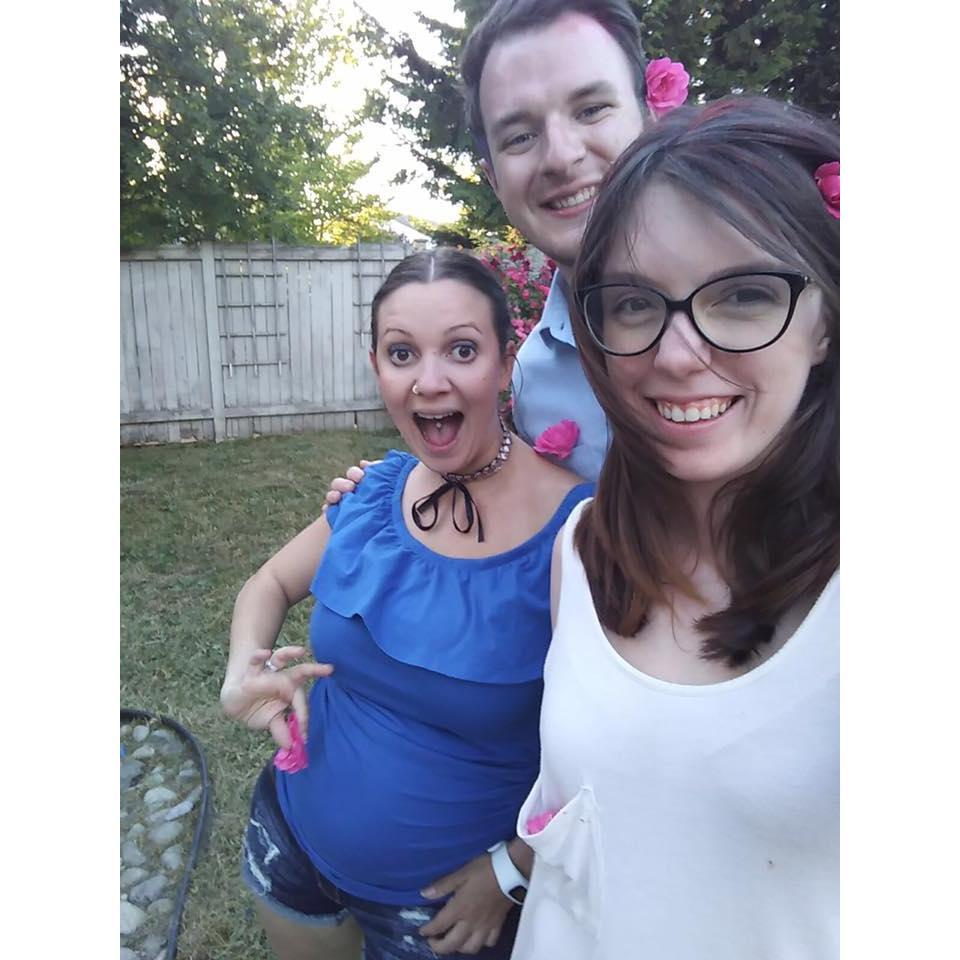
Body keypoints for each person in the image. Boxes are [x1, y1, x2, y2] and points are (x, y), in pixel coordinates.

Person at [510, 96, 840, 959]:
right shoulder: (582, 551)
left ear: (827, 320)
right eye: (631, 304)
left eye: (742, 295)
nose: (675, 353)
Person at [220, 248, 593, 960]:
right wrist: (246, 666)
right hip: (291, 842)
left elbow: (622, 745)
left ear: (506, 363)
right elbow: (267, 584)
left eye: (461, 349)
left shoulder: (577, 528)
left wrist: (516, 866)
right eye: (401, 353)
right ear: (377, 369)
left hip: (442, 913)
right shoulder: (372, 494)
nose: (429, 381)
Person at [327, 0, 654, 502]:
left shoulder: (785, 310)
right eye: (520, 136)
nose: (562, 156)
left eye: (591, 110)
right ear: (494, 180)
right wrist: (389, 495)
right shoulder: (534, 378)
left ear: (650, 117)